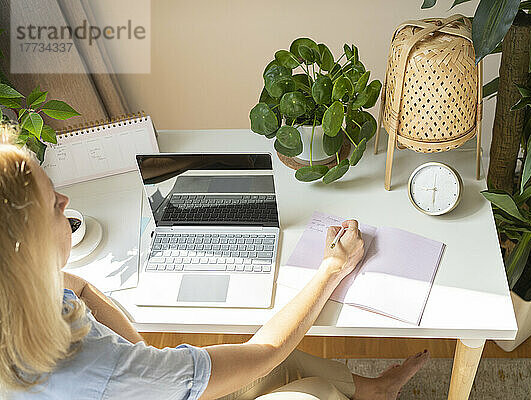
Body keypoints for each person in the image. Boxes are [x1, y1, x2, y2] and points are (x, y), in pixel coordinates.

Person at [0, 124, 428, 400]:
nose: (66, 201)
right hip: (130, 386)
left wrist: (146, 355)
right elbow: (265, 348)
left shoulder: (16, 291)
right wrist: (333, 268)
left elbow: (81, 287)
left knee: (282, 366)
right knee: (310, 392)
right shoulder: (102, 372)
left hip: (133, 383)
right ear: (30, 246)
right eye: (53, 204)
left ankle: (373, 390)